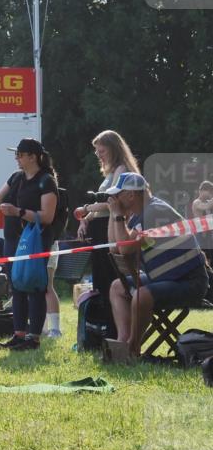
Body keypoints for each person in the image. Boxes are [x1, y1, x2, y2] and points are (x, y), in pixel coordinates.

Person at [106, 173, 209, 357]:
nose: (115, 199)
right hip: (166, 278)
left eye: (118, 194)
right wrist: (114, 215)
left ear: (131, 195)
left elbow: (124, 250)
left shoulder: (154, 212)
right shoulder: (142, 214)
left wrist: (117, 215)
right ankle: (122, 342)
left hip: (190, 281)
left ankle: (132, 348)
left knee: (141, 296)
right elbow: (115, 247)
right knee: (117, 287)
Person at [0, 138, 58, 351]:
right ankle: (19, 334)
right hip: (13, 239)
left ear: (33, 156)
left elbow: (47, 216)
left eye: (20, 154)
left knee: (35, 286)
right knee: (17, 286)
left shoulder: (46, 181)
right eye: (17, 154)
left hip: (36, 240)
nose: (17, 158)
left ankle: (34, 337)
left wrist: (18, 212)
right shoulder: (15, 178)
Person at [75, 130, 142, 321]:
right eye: (96, 151)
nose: (98, 155)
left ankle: (111, 322)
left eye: (101, 151)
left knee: (108, 276)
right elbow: (104, 204)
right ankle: (104, 322)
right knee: (100, 278)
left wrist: (86, 207)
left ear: (114, 149)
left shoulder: (121, 170)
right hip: (100, 226)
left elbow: (113, 203)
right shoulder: (111, 173)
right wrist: (86, 219)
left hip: (110, 227)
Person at [192, 181, 213, 265]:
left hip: (208, 235)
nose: (210, 193)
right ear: (202, 191)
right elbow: (206, 207)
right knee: (202, 257)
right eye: (209, 191)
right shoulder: (196, 202)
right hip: (199, 234)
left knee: (210, 257)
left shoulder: (208, 202)